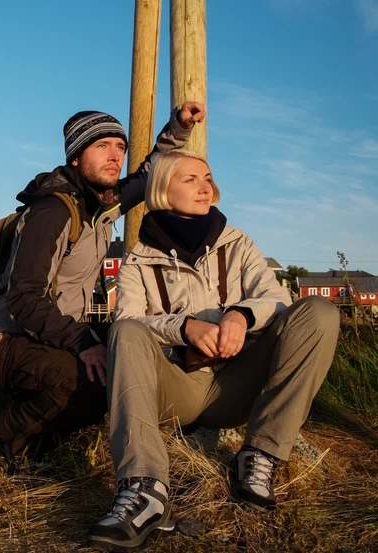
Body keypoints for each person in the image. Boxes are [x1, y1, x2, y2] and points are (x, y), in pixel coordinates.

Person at [88, 150, 340, 551]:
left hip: (238, 384)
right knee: (125, 331)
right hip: (179, 388)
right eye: (190, 179)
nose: (205, 186)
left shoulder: (238, 243)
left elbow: (275, 297)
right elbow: (131, 319)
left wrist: (239, 316)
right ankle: (145, 489)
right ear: (162, 189)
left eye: (207, 177)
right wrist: (183, 329)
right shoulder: (137, 262)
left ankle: (259, 456)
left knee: (319, 312)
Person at [0, 102, 206, 461]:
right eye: (102, 146)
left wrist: (179, 127)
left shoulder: (104, 204)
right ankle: (4, 436)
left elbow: (150, 174)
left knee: (131, 360)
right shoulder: (51, 213)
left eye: (120, 147)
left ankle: (51, 436)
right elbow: (25, 299)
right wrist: (82, 341)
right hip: (6, 339)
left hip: (55, 332)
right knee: (84, 380)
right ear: (76, 158)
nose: (115, 156)